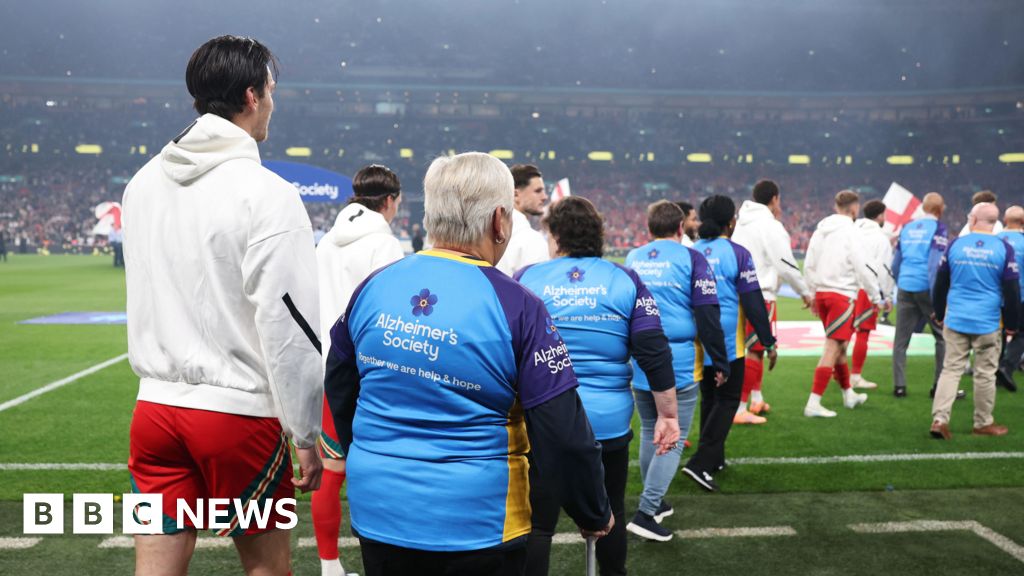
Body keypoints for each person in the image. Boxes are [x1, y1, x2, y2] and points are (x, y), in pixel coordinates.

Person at [325, 153, 613, 576]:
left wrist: (371, 456)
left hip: (380, 510)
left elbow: (340, 381)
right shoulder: (518, 305)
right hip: (478, 523)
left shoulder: (375, 286)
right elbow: (563, 431)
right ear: (500, 221)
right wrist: (593, 510)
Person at [122, 36, 323, 576]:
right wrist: (306, 433)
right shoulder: (266, 192)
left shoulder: (140, 184)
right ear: (253, 96)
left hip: (154, 413)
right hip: (237, 416)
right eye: (273, 91)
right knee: (266, 568)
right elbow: (290, 326)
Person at [516, 196, 679, 573]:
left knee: (538, 524)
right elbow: (654, 351)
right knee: (611, 512)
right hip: (606, 424)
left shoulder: (526, 279)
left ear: (555, 235)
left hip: (541, 423)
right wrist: (668, 414)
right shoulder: (624, 279)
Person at [313, 164, 404, 576]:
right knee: (384, 464)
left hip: (325, 365)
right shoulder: (385, 245)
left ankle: (329, 565)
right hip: (369, 369)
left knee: (331, 469)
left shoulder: (326, 243)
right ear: (390, 200)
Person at [624, 200, 728, 542]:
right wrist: (720, 359)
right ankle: (646, 511)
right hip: (676, 358)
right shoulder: (691, 257)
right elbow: (707, 313)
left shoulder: (633, 258)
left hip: (639, 356)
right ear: (681, 228)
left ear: (649, 228)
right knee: (674, 435)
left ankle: (656, 501)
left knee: (651, 428)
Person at [681, 195, 777, 492]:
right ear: (731, 222)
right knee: (727, 401)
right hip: (726, 341)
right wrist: (768, 340)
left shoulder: (690, 252)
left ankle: (715, 458)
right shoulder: (737, 253)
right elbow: (752, 300)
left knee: (710, 398)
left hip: (697, 341)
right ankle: (700, 463)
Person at [930, 203, 1020, 439]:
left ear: (974, 219)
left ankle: (940, 419)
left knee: (950, 370)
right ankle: (982, 423)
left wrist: (939, 313)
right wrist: (1012, 322)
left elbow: (940, 283)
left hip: (956, 318)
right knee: (985, 373)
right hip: (987, 321)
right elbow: (1011, 289)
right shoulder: (1003, 248)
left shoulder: (956, 245)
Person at [731, 180, 814, 423]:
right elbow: (786, 264)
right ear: (775, 199)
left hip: (738, 294)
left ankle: (756, 399)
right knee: (757, 351)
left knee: (746, 349)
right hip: (761, 294)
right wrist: (804, 291)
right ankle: (739, 409)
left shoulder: (741, 224)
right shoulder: (770, 225)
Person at [803, 190, 882, 417]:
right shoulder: (852, 232)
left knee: (840, 347)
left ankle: (849, 394)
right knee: (832, 347)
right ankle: (813, 403)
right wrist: (875, 297)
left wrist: (812, 292)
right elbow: (863, 266)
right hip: (842, 295)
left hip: (823, 294)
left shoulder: (821, 230)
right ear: (854, 209)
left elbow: (809, 263)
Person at [891, 192, 953, 399]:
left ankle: (899, 386)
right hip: (926, 287)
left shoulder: (907, 228)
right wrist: (938, 296)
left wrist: (901, 282)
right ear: (940, 209)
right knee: (942, 337)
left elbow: (895, 263)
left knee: (901, 339)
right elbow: (935, 263)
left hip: (905, 285)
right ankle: (938, 386)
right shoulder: (939, 229)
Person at [850, 200, 895, 390]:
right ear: (879, 216)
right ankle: (855, 375)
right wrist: (886, 295)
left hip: (846, 287)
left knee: (843, 333)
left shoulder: (852, 230)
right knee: (863, 333)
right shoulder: (880, 238)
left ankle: (838, 371)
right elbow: (884, 269)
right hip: (867, 289)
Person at [496, 164, 550, 276]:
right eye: (538, 191)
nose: (545, 197)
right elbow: (536, 288)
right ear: (515, 195)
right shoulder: (532, 240)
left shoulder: (485, 235)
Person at [997, 205, 1024, 391]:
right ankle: (1006, 367)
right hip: (1019, 296)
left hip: (996, 297)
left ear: (1005, 221)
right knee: (1021, 334)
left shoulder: (994, 240)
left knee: (996, 334)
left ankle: (993, 370)